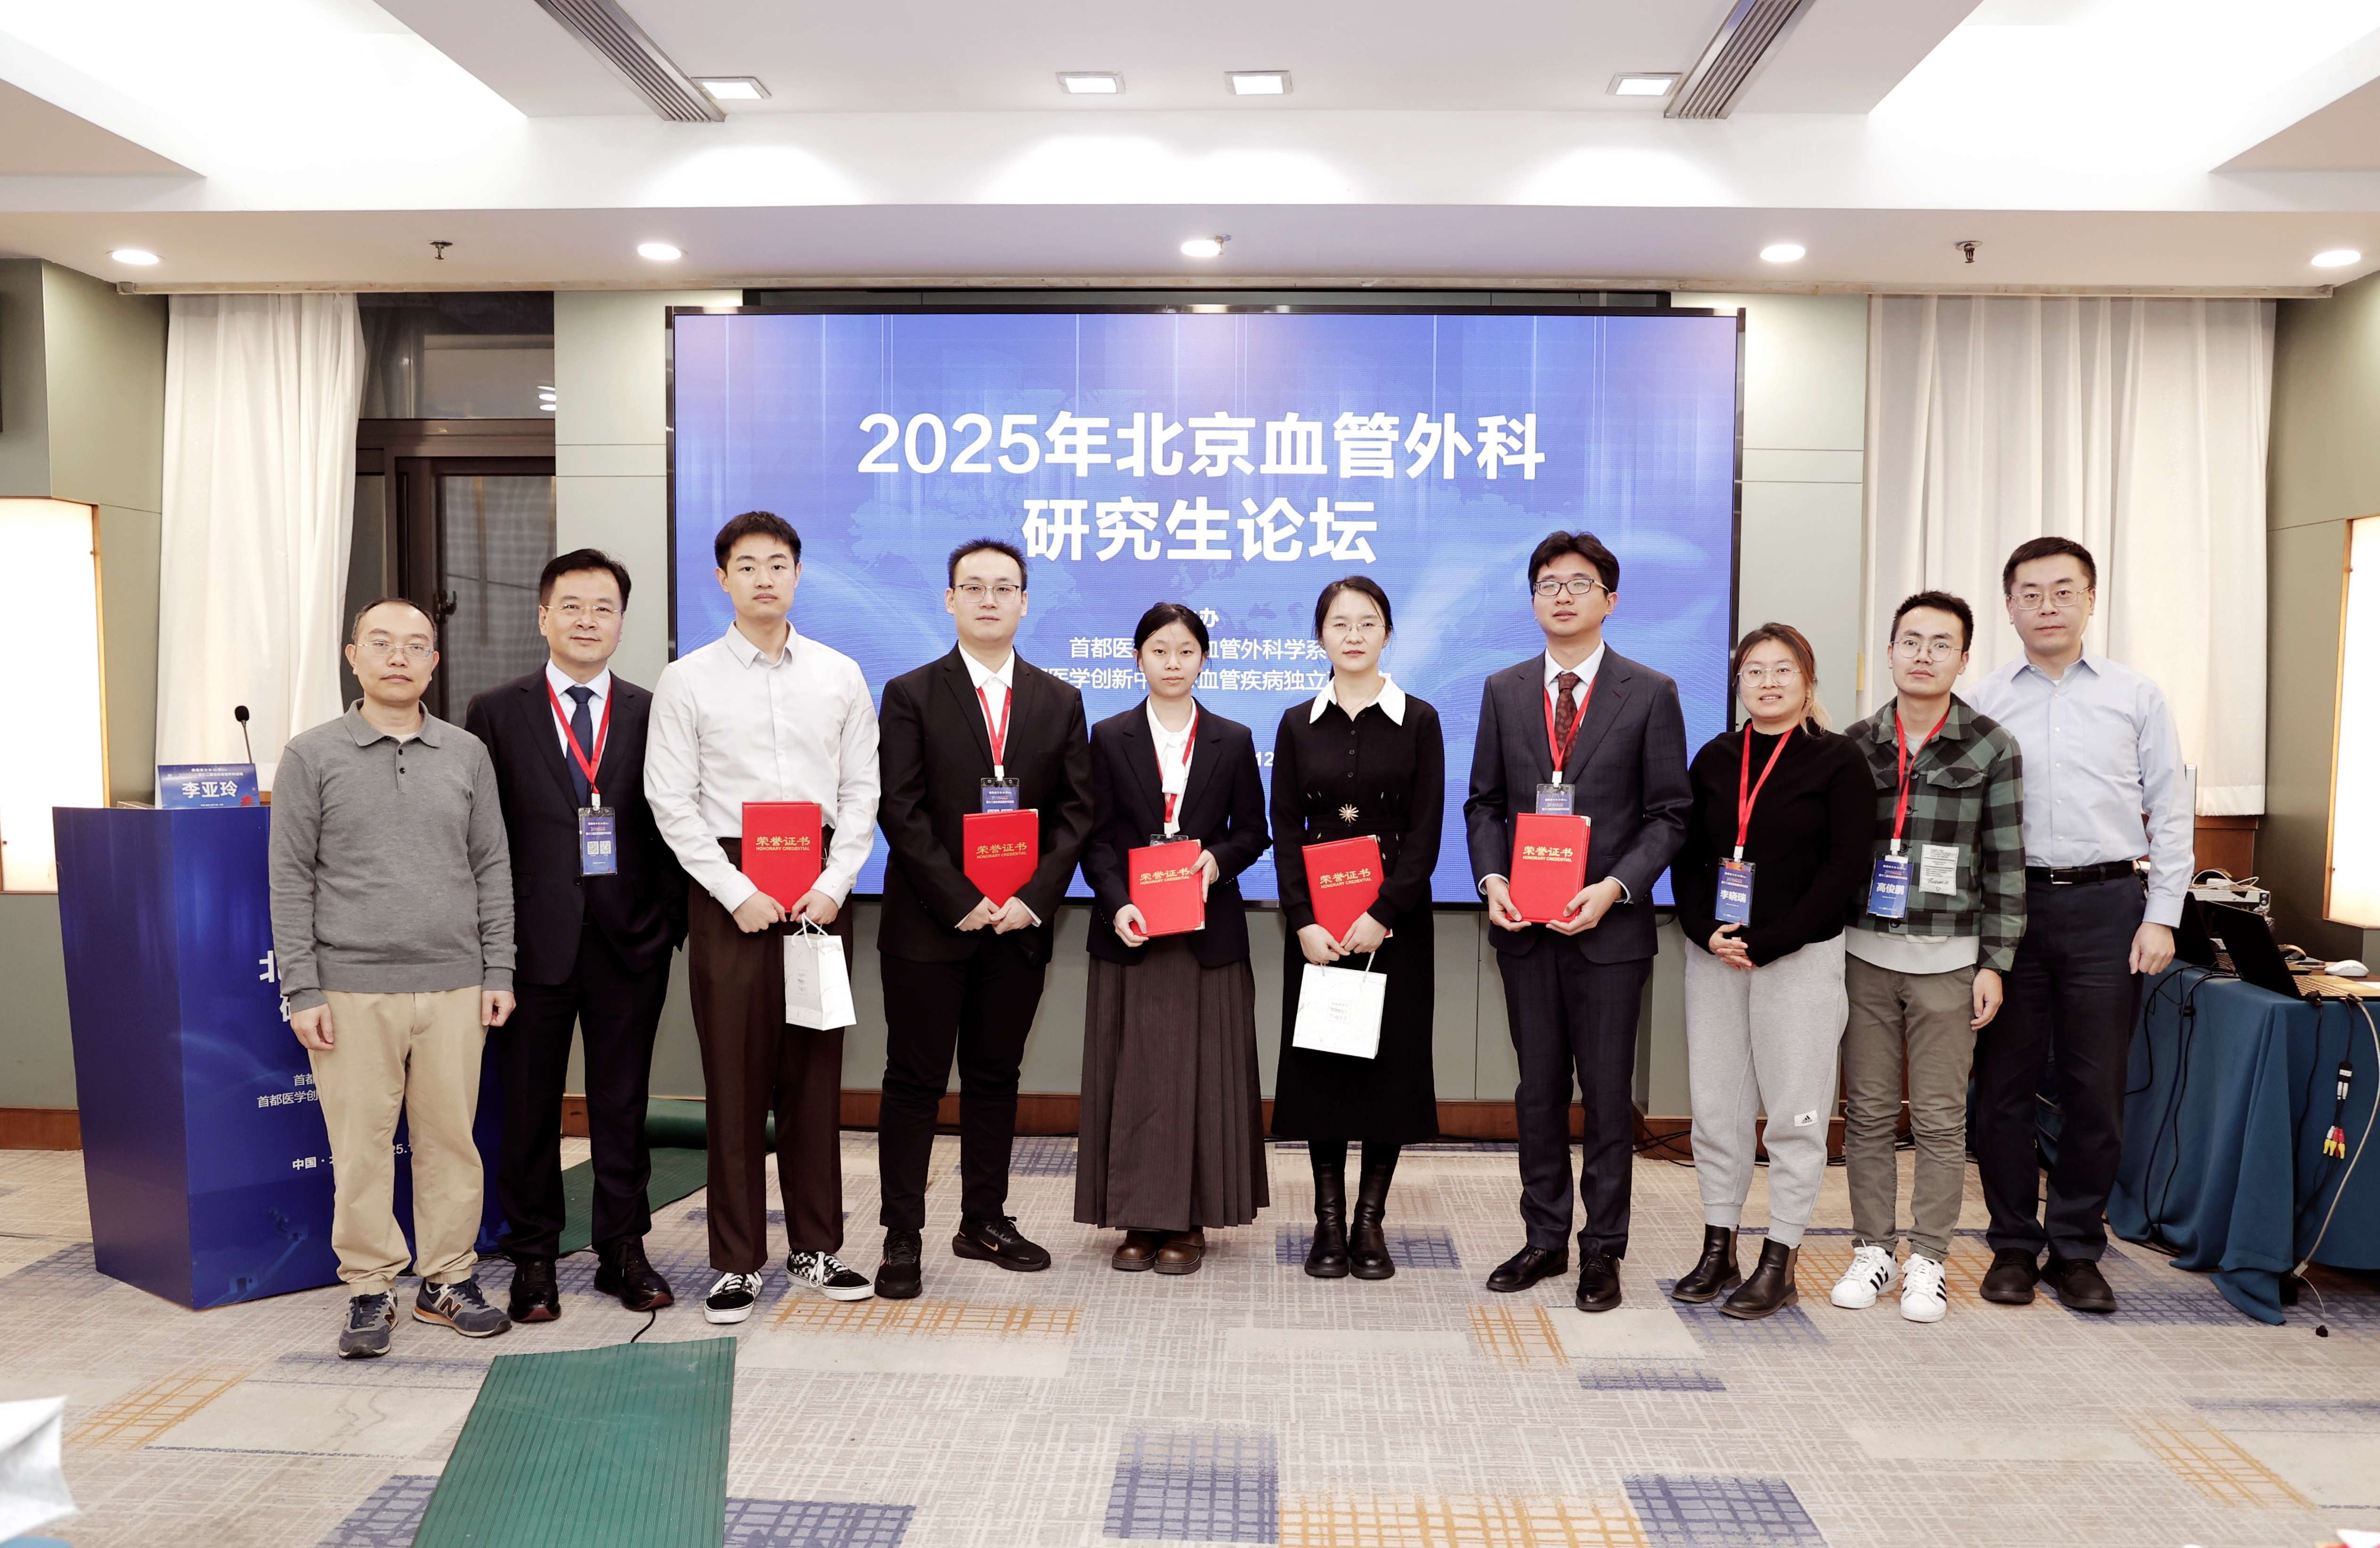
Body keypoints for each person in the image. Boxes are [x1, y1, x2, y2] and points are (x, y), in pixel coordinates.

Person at [647, 512, 882, 1323]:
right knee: (736, 1081)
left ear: (798, 574)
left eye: (778, 564)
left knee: (815, 1077)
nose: (764, 579)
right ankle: (737, 1261)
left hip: (819, 889)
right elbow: (670, 800)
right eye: (746, 566)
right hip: (730, 894)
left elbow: (861, 791)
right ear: (723, 579)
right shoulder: (689, 679)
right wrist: (732, 890)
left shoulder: (840, 674)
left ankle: (817, 1247)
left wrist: (838, 881)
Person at [269, 597, 517, 1358]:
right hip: (350, 988)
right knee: (362, 1148)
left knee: (450, 1142)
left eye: (415, 645)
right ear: (354, 657)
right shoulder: (311, 754)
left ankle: (448, 1279)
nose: (398, 657)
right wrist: (302, 988)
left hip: (454, 985)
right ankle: (370, 1288)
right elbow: (290, 878)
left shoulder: (467, 754)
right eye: (381, 643)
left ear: (434, 663)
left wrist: (498, 968)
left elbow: (492, 867)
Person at [1464, 531, 1692, 1311]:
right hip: (1524, 928)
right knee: (1537, 1092)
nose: (1562, 596)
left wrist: (1614, 889)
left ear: (1610, 600)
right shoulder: (1503, 690)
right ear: (1533, 600)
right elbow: (1485, 803)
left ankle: (1604, 1248)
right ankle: (1544, 1238)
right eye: (1548, 584)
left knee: (1604, 1094)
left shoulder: (1650, 691)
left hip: (1609, 933)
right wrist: (1493, 878)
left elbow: (1669, 814)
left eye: (1579, 583)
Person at [1967, 537, 2190, 1314]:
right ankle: (2012, 1244)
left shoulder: (2136, 695)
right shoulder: (1985, 699)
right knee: (2004, 1088)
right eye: (2031, 594)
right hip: (2012, 909)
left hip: (2108, 907)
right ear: (2010, 607)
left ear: (2091, 600)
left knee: (2097, 1090)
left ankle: (2076, 1249)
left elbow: (2171, 812)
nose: (2048, 607)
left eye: (2065, 591)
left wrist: (2162, 916)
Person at [464, 549, 685, 1324]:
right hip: (531, 945)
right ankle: (534, 1255)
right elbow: (482, 837)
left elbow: (675, 823)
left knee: (623, 1104)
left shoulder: (655, 711)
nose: (588, 621)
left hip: (631, 942)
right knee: (529, 1108)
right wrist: (491, 947)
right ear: (543, 617)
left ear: (622, 622)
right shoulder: (497, 711)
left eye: (604, 608)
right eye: (572, 606)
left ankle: (624, 1248)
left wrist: (667, 925)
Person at [873, 538, 1094, 1300]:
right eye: (974, 587)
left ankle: (984, 1221)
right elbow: (899, 807)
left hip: (1018, 928)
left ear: (1026, 602)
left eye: (1004, 587)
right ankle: (902, 1235)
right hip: (928, 926)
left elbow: (1076, 814)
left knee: (996, 1078)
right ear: (950, 600)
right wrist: (960, 898)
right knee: (914, 1081)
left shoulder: (1059, 700)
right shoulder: (910, 693)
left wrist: (1031, 898)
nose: (989, 599)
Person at [1830, 591, 2025, 1324]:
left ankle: (1930, 1259)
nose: (1923, 655)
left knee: (1941, 1120)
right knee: (1869, 1112)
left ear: (1964, 659)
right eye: (1910, 641)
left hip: (1950, 961)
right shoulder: (1854, 744)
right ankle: (1873, 1249)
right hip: (1863, 956)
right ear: (1889, 652)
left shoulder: (1992, 747)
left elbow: (2007, 865)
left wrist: (1995, 962)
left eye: (1941, 643)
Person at [1669, 623, 1871, 1319]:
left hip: (1800, 959)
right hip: (1717, 957)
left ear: (1808, 681)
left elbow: (1845, 868)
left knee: (1795, 1114)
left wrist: (1774, 939)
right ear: (1738, 684)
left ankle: (1780, 1258)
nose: (1768, 682)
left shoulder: (1838, 760)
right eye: (1754, 671)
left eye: (1783, 669)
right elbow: (1686, 858)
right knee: (1717, 1110)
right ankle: (1719, 1245)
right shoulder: (1715, 757)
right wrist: (1704, 930)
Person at [1076, 602, 1272, 1274]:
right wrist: (1118, 903)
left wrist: (1217, 860)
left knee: (1204, 1079)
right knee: (1134, 1076)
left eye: (1186, 651)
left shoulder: (1232, 739)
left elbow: (1254, 831)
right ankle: (1138, 1218)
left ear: (1203, 660)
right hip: (1133, 931)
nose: (1172, 663)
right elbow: (1096, 839)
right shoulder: (1109, 736)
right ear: (1138, 659)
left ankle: (1189, 1221)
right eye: (1159, 650)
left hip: (1206, 933)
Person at [1272, 576, 1446, 1282]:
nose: (1353, 635)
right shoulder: (1295, 723)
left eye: (1367, 622)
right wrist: (1302, 921)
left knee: (1386, 1073)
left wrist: (1384, 914)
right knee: (1323, 1071)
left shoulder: (1420, 719)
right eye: (1339, 623)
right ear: (1320, 636)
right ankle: (1328, 1224)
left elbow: (1427, 831)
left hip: (1394, 929)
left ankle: (1370, 1224)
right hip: (1317, 933)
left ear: (1387, 633)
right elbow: (1285, 830)